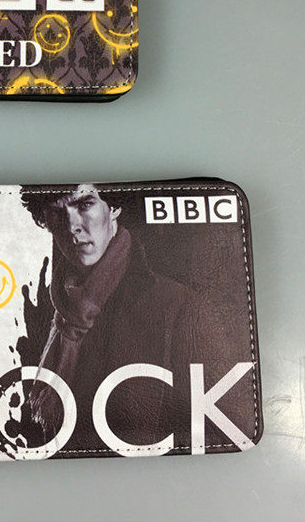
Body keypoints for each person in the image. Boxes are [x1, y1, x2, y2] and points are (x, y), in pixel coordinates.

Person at [17, 183, 202, 453]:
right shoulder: (48, 305)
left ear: (113, 207)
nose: (72, 226)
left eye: (84, 205)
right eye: (57, 213)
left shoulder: (175, 305)